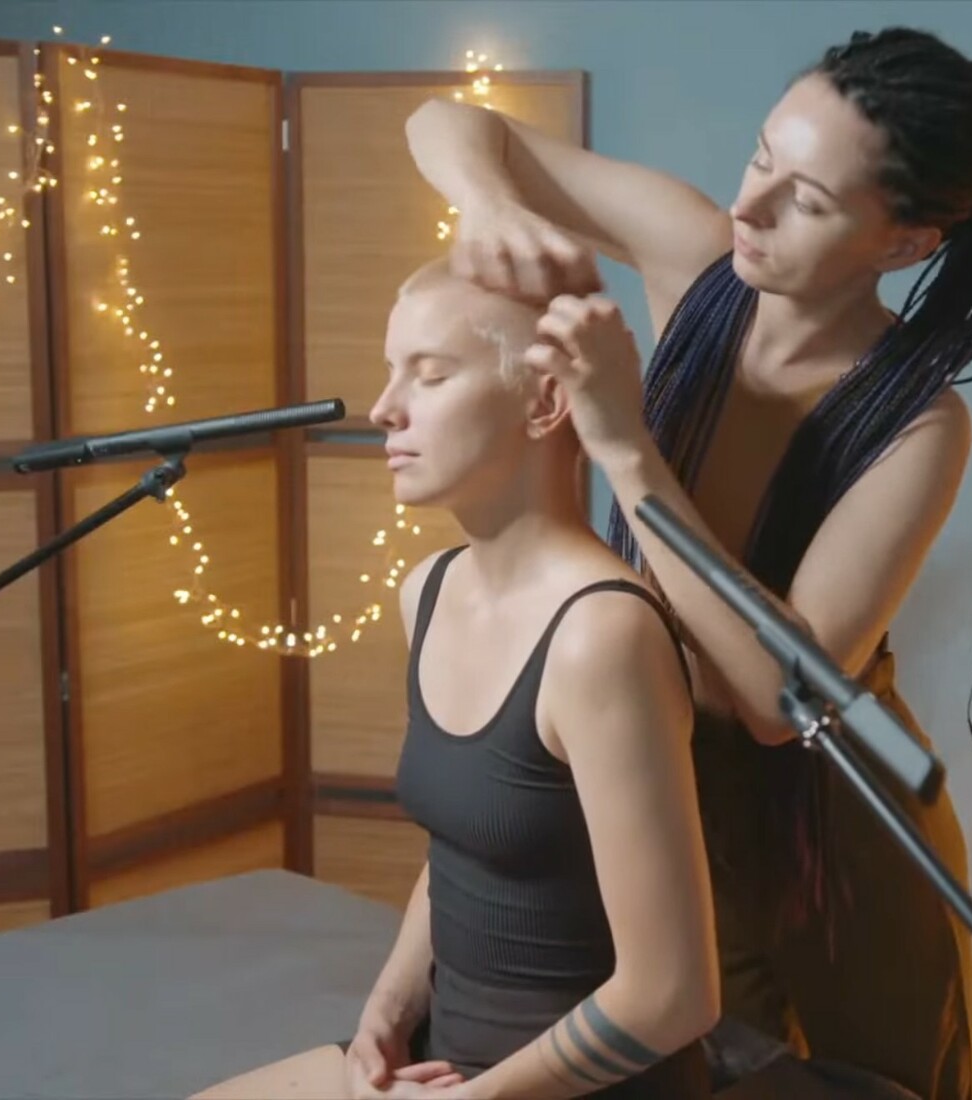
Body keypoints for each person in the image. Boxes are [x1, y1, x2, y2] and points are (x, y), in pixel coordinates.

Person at [405, 25, 972, 1100]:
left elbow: (772, 700)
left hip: (828, 846)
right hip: (658, 779)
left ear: (904, 243)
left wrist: (626, 446)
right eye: (761, 157)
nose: (751, 206)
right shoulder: (698, 256)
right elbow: (447, 123)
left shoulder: (920, 425)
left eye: (807, 200)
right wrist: (490, 203)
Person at [343, 260, 720, 1099]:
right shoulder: (426, 592)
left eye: (430, 375)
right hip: (448, 1063)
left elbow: (674, 996)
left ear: (545, 402)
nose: (384, 408)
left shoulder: (601, 636)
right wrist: (387, 1011)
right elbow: (464, 851)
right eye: (391, 370)